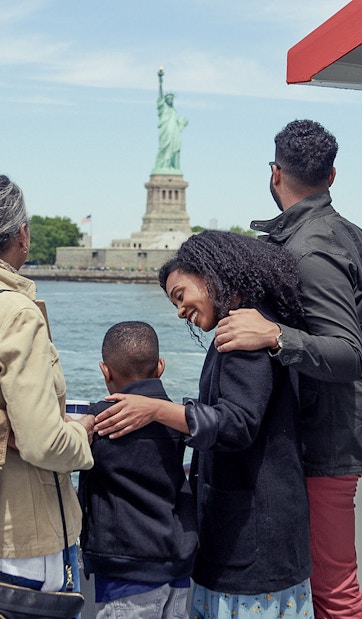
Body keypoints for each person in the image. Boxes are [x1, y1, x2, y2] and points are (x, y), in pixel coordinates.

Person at [214, 120, 362, 619]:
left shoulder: (310, 249)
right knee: (326, 583)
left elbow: (348, 352)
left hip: (327, 441)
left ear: (275, 174)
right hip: (340, 431)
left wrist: (274, 336)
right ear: (331, 175)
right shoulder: (347, 233)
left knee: (332, 588)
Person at [93, 230, 315, 619]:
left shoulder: (244, 335)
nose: (180, 311)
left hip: (253, 542)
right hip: (261, 531)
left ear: (209, 274)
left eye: (180, 296)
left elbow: (236, 424)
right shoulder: (251, 324)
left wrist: (155, 410)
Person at [0, 174, 94, 594]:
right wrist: (82, 434)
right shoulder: (17, 313)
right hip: (22, 540)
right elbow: (42, 443)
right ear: (22, 235)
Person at [78, 320, 198, 619]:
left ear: (105, 371)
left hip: (125, 568)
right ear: (160, 367)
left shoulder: (100, 422)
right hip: (178, 562)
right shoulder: (180, 419)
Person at [152, 67, 188, 173]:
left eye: (172, 99)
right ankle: (163, 165)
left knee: (174, 149)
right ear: (165, 100)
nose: (170, 100)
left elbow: (178, 125)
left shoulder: (174, 111)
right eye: (168, 99)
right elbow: (160, 95)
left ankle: (173, 167)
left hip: (174, 134)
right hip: (165, 132)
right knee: (164, 148)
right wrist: (160, 81)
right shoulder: (163, 108)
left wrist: (182, 124)